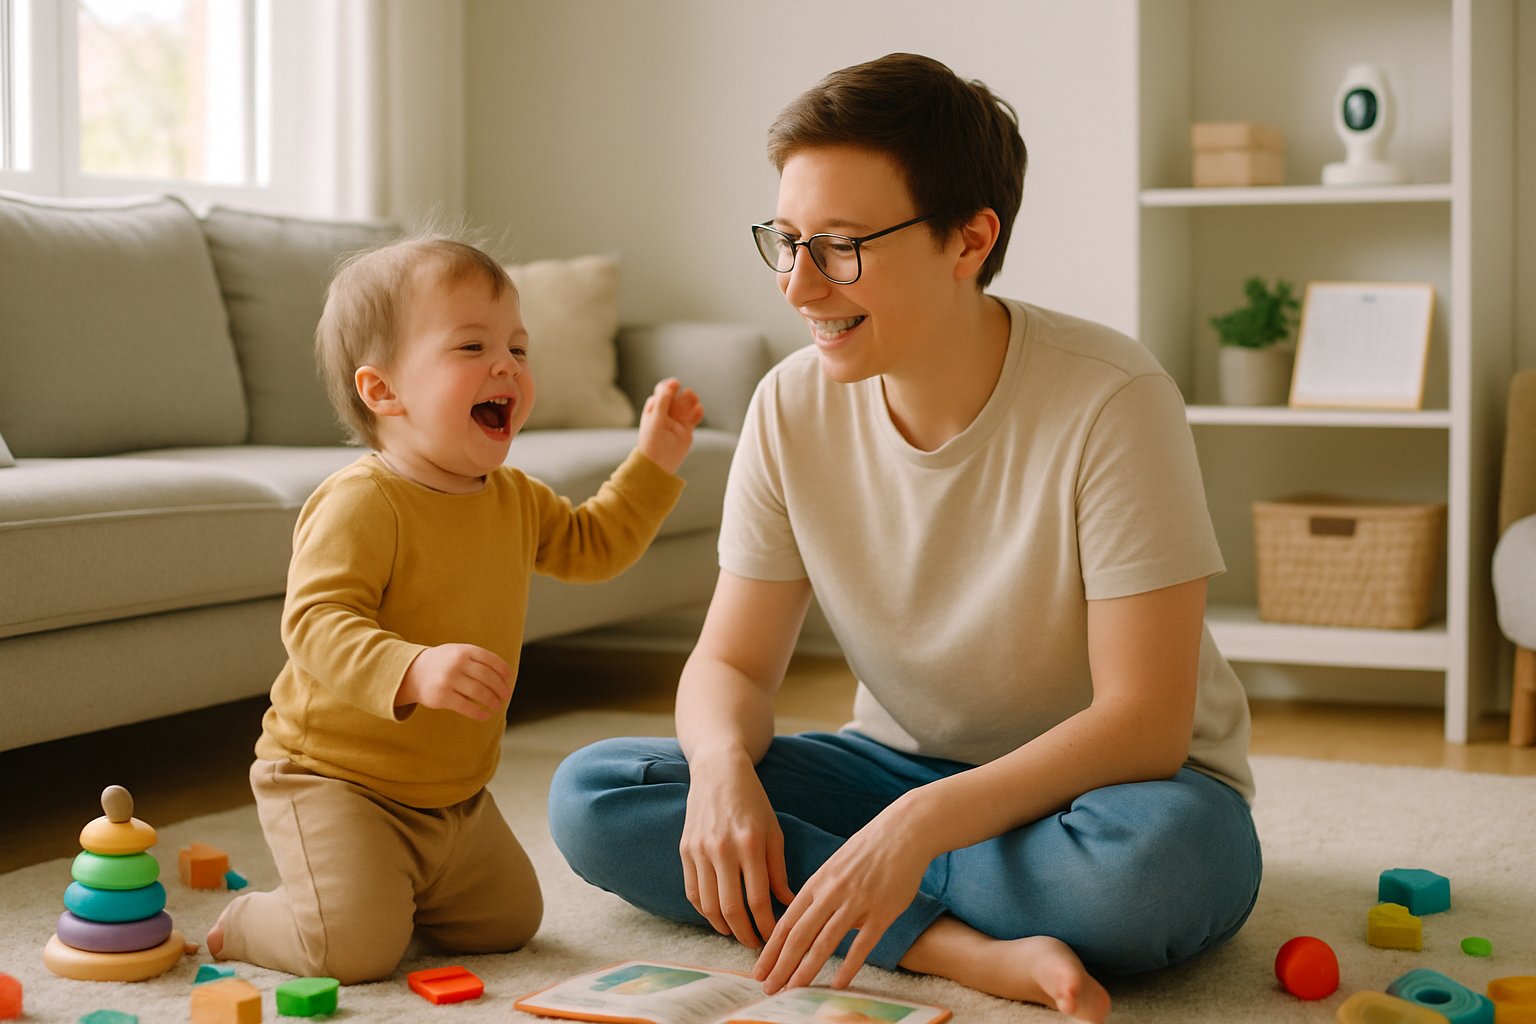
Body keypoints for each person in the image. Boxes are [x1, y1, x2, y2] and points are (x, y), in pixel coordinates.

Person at [547, 52, 1260, 1023]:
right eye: (785, 240)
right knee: (595, 794)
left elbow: (1144, 721)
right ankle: (955, 947)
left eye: (840, 246)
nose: (799, 288)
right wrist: (718, 770)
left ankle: (860, 888)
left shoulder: (1113, 398)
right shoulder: (787, 408)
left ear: (969, 240)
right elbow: (732, 666)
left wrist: (918, 830)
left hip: (1114, 791)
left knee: (1165, 874)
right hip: (895, 766)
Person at [205, 235, 704, 983]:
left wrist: (653, 463)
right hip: (334, 779)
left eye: (518, 347)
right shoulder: (362, 502)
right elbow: (315, 624)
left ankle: (399, 884)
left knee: (507, 924)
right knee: (353, 952)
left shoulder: (513, 497)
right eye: (472, 345)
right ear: (383, 392)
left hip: (450, 796)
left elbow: (593, 546)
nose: (507, 364)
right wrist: (413, 667)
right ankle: (253, 921)